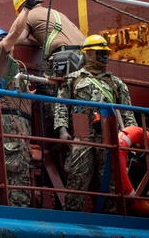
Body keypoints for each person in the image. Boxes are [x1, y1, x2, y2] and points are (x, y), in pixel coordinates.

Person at [53, 34, 137, 212]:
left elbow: (127, 113)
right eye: (101, 52)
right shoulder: (73, 79)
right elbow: (61, 105)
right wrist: (62, 129)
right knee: (77, 176)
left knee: (113, 180)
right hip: (82, 134)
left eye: (106, 52)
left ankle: (113, 218)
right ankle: (72, 216)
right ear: (89, 53)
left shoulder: (117, 83)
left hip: (110, 137)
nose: (106, 56)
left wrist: (131, 138)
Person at [0, 3, 33, 207]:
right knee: (15, 176)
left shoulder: (12, 67)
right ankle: (18, 214)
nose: (6, 43)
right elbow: (16, 32)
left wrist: (39, 92)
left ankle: (22, 211)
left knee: (22, 175)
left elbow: (21, 97)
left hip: (21, 126)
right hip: (12, 126)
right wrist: (26, 10)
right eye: (1, 41)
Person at [12, 0, 86, 129]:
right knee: (80, 98)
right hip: (84, 57)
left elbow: (18, 39)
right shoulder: (58, 13)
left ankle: (63, 133)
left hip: (64, 57)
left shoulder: (28, 15)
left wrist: (37, 43)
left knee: (47, 94)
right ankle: (83, 132)